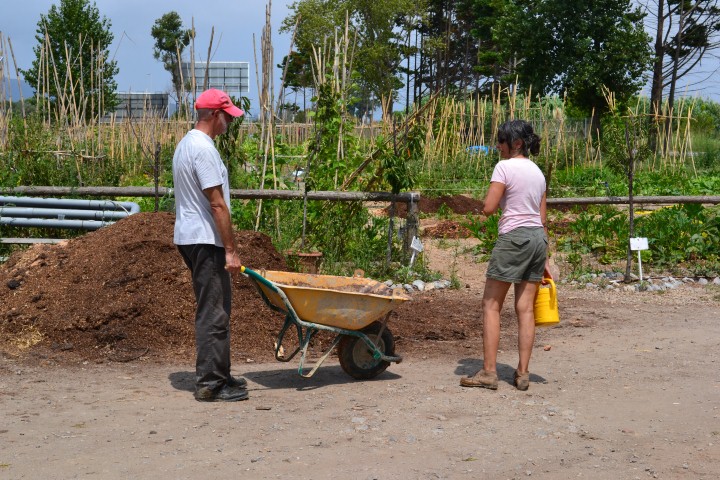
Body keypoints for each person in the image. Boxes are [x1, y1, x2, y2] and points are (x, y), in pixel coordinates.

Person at [460, 120, 552, 391]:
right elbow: (543, 217)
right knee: (525, 309)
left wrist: (484, 206)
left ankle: (489, 373)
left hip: (514, 237)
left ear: (517, 144)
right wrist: (546, 255)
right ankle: (522, 374)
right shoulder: (538, 172)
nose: (498, 145)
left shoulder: (504, 167)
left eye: (502, 141)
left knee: (491, 305)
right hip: (538, 239)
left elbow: (489, 207)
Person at [172, 88, 248, 402]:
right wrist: (230, 249)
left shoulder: (185, 145)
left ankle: (219, 372)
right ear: (215, 115)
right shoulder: (203, 149)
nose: (230, 122)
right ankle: (211, 384)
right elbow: (217, 204)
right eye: (228, 116)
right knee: (214, 311)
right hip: (205, 238)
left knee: (214, 308)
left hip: (191, 235)